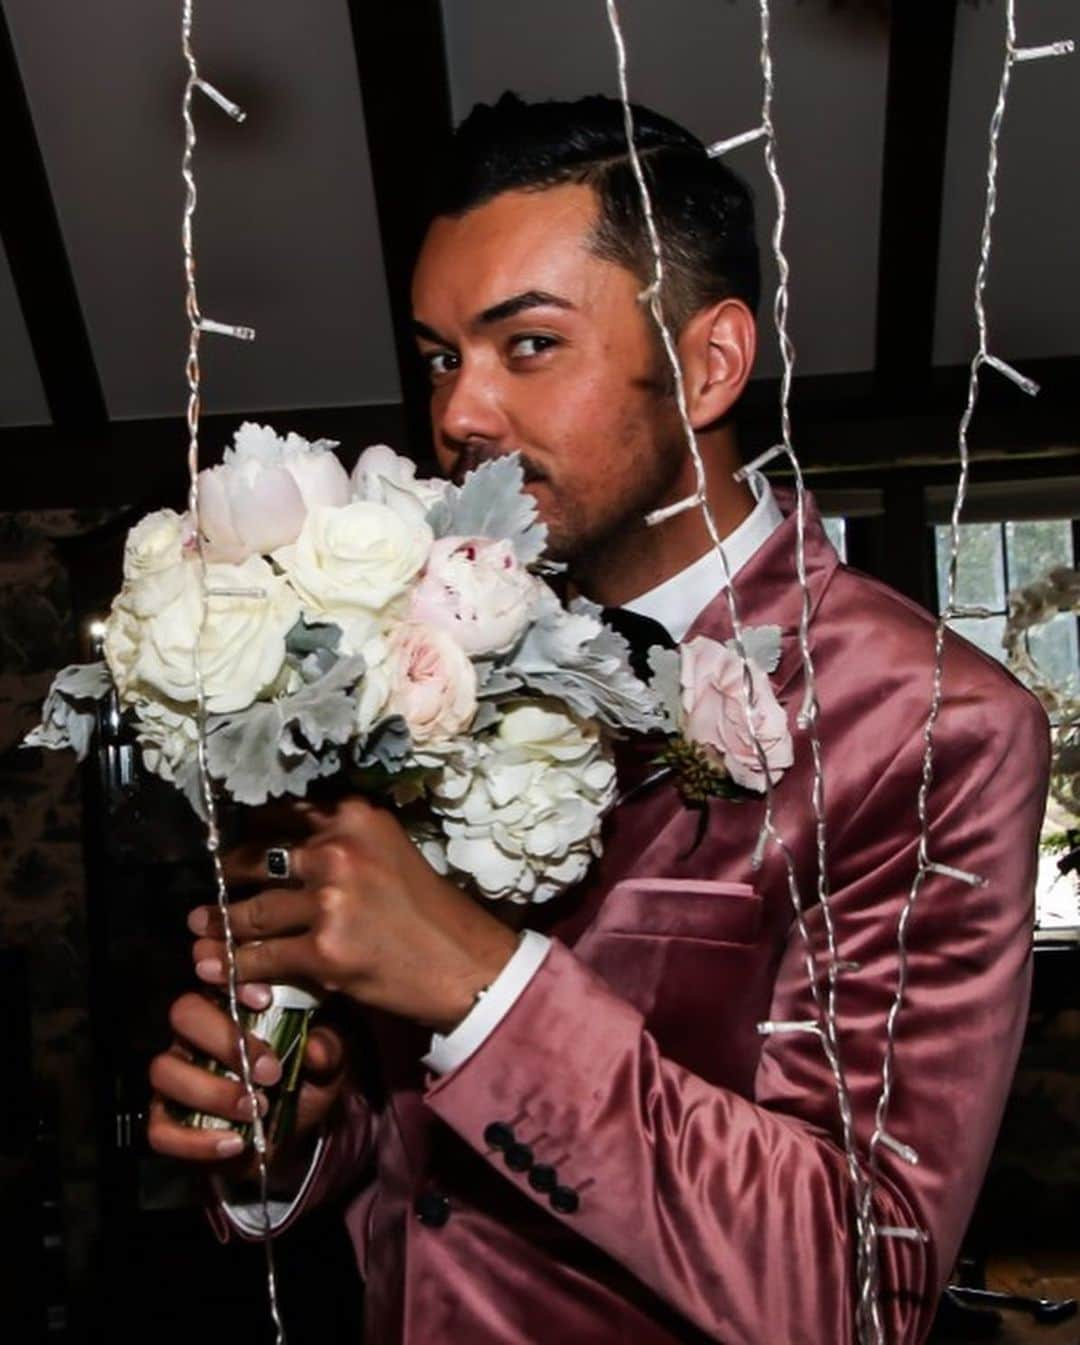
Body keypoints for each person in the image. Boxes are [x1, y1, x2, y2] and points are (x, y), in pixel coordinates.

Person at [147, 93, 1050, 1344]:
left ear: (710, 364)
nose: (459, 414)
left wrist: (473, 975)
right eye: (440, 356)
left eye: (525, 346)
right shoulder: (421, 646)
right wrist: (289, 1136)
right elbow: (408, 1157)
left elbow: (859, 1285)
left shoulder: (932, 722)